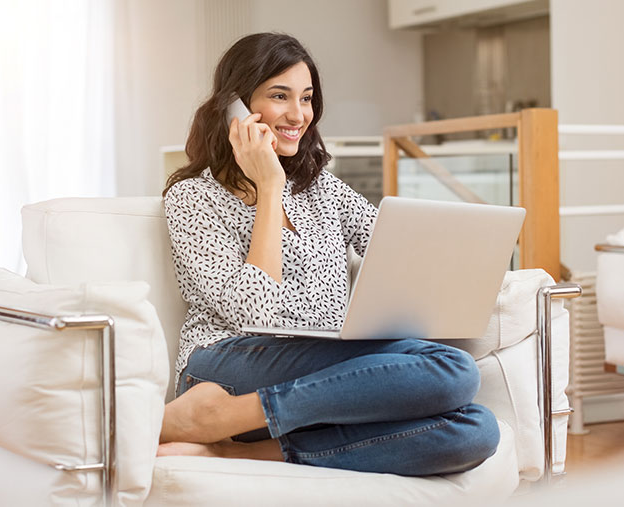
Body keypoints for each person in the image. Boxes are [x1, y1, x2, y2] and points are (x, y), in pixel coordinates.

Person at [158, 32, 499, 476]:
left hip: (324, 369)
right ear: (235, 107)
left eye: (307, 98)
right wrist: (269, 187)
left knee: (476, 429)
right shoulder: (191, 197)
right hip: (226, 365)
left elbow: (399, 248)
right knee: (452, 369)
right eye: (280, 96)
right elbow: (253, 310)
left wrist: (460, 269)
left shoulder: (324, 190)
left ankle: (233, 444)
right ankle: (220, 413)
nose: (298, 114)